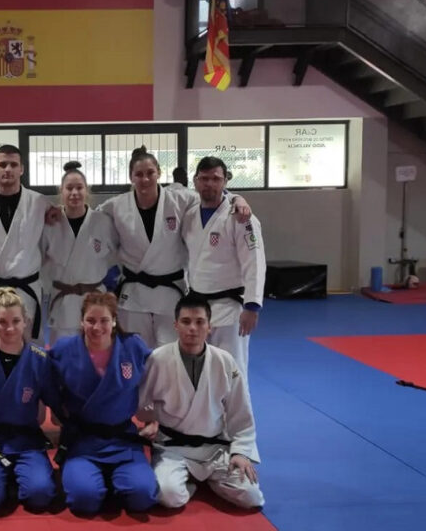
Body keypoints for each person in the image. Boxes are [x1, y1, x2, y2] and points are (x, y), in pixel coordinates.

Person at [97, 146, 250, 349]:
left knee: (170, 354)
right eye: (139, 174)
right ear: (131, 177)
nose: (145, 179)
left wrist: (236, 198)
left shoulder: (179, 199)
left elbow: (213, 197)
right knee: (135, 351)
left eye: (150, 173)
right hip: (133, 295)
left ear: (159, 173)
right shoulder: (116, 205)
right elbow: (89, 217)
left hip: (170, 294)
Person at [137, 294, 263, 509]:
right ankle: (196, 482)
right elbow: (141, 402)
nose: (192, 328)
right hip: (172, 448)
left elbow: (240, 411)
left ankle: (203, 478)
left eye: (200, 322)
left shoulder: (225, 361)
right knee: (168, 495)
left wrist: (241, 451)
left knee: (251, 496)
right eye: (186, 322)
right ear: (175, 325)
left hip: (216, 448)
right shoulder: (158, 358)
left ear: (209, 326)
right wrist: (150, 420)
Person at [49, 292, 158, 514]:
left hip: (122, 440)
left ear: (114, 321)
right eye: (90, 320)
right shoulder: (64, 350)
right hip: (82, 440)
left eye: (104, 320)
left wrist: (154, 418)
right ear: (81, 321)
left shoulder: (133, 347)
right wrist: (59, 414)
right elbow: (46, 383)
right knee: (83, 501)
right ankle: (96, 480)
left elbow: (157, 380)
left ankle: (112, 479)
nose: (97, 327)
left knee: (143, 496)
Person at [0, 287, 61, 512]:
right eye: (2, 322)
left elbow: (56, 401)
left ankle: (18, 476)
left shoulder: (39, 360)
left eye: (16, 321)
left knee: (40, 496)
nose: (9, 328)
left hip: (26, 439)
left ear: (26, 322)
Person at [181, 156, 265, 376]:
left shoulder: (241, 217)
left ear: (225, 181)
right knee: (200, 371)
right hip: (198, 307)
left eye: (216, 179)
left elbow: (255, 262)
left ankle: (238, 402)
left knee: (232, 370)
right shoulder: (189, 215)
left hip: (230, 309)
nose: (209, 184)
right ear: (195, 181)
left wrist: (252, 306)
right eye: (204, 178)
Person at [0, 144, 50, 342]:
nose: (8, 169)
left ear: (21, 169)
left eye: (13, 165)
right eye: (2, 164)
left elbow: (53, 239)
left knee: (29, 350)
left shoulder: (39, 202)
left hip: (27, 287)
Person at [42, 161, 117, 344]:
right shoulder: (50, 224)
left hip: (95, 302)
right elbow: (38, 259)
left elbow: (120, 253)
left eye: (79, 188)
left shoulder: (103, 221)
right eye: (69, 188)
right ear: (61, 191)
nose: (74, 193)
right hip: (63, 306)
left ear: (87, 190)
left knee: (97, 353)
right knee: (63, 355)